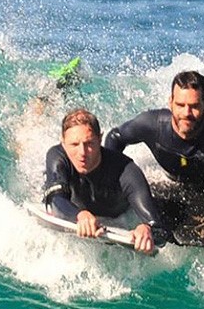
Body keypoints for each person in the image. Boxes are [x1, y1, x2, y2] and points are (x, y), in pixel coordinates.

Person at [104, 71, 204, 258]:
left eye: (194, 106)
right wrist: (109, 180)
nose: (186, 113)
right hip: (173, 188)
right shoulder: (152, 124)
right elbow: (116, 136)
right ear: (170, 102)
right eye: (180, 105)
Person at [43, 108, 165, 254]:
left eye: (89, 144)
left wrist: (146, 229)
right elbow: (56, 200)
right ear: (63, 143)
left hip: (120, 216)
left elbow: (159, 229)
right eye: (74, 145)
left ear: (100, 139)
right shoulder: (57, 156)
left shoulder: (126, 172)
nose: (82, 153)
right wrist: (79, 215)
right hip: (81, 211)